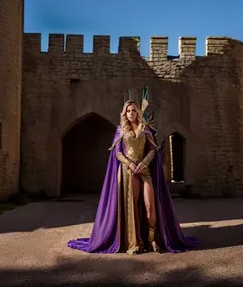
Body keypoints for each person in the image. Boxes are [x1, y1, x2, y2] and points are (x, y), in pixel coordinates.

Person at [67, 98, 200, 254]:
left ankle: (153, 240)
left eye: (133, 110)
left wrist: (143, 164)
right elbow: (117, 153)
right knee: (133, 206)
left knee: (150, 207)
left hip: (144, 170)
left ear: (138, 112)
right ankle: (135, 242)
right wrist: (130, 164)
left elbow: (152, 150)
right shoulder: (120, 130)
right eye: (128, 110)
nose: (131, 113)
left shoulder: (146, 129)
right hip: (128, 171)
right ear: (125, 113)